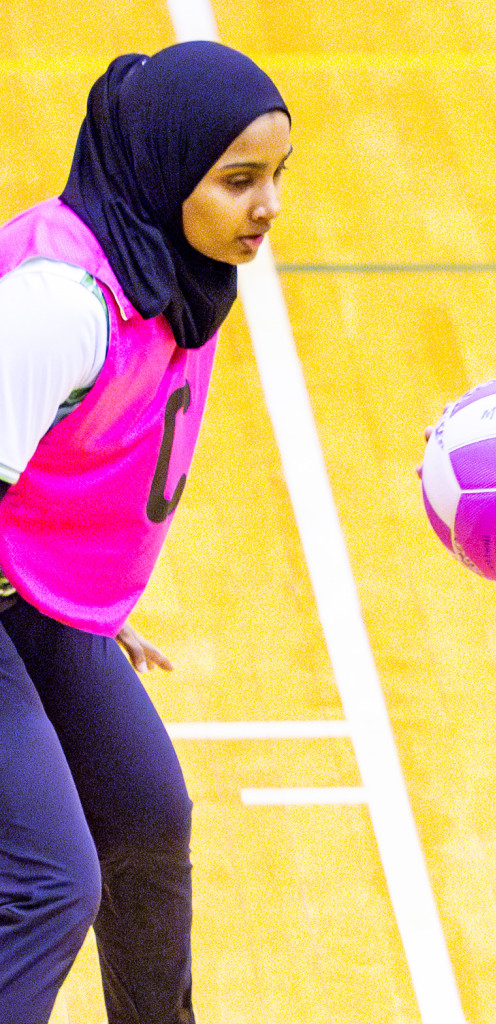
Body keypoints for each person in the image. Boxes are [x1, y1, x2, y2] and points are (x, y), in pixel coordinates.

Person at [0, 42, 289, 1023]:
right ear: (166, 174)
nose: (268, 206)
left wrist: (77, 599)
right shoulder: (58, 305)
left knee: (144, 821)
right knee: (49, 879)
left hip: (24, 595)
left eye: (276, 177)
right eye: (239, 180)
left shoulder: (169, 270)